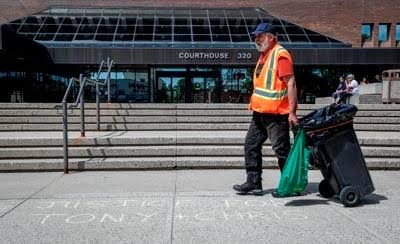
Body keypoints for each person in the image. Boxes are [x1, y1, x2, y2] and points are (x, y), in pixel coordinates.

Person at [233, 23, 298, 195]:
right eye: (255, 36)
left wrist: (292, 112)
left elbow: (290, 83)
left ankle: (290, 186)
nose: (256, 39)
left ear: (271, 37)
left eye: (260, 36)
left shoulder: (280, 55)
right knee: (250, 145)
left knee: (281, 150)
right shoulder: (264, 56)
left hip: (276, 114)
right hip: (260, 112)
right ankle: (254, 182)